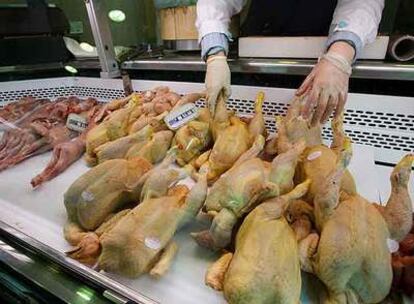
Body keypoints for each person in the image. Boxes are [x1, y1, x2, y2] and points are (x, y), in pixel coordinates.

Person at [196, 0, 384, 125]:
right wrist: (215, 55)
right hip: (257, 55)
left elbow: (362, 3)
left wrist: (339, 57)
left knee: (311, 127)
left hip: (323, 64)